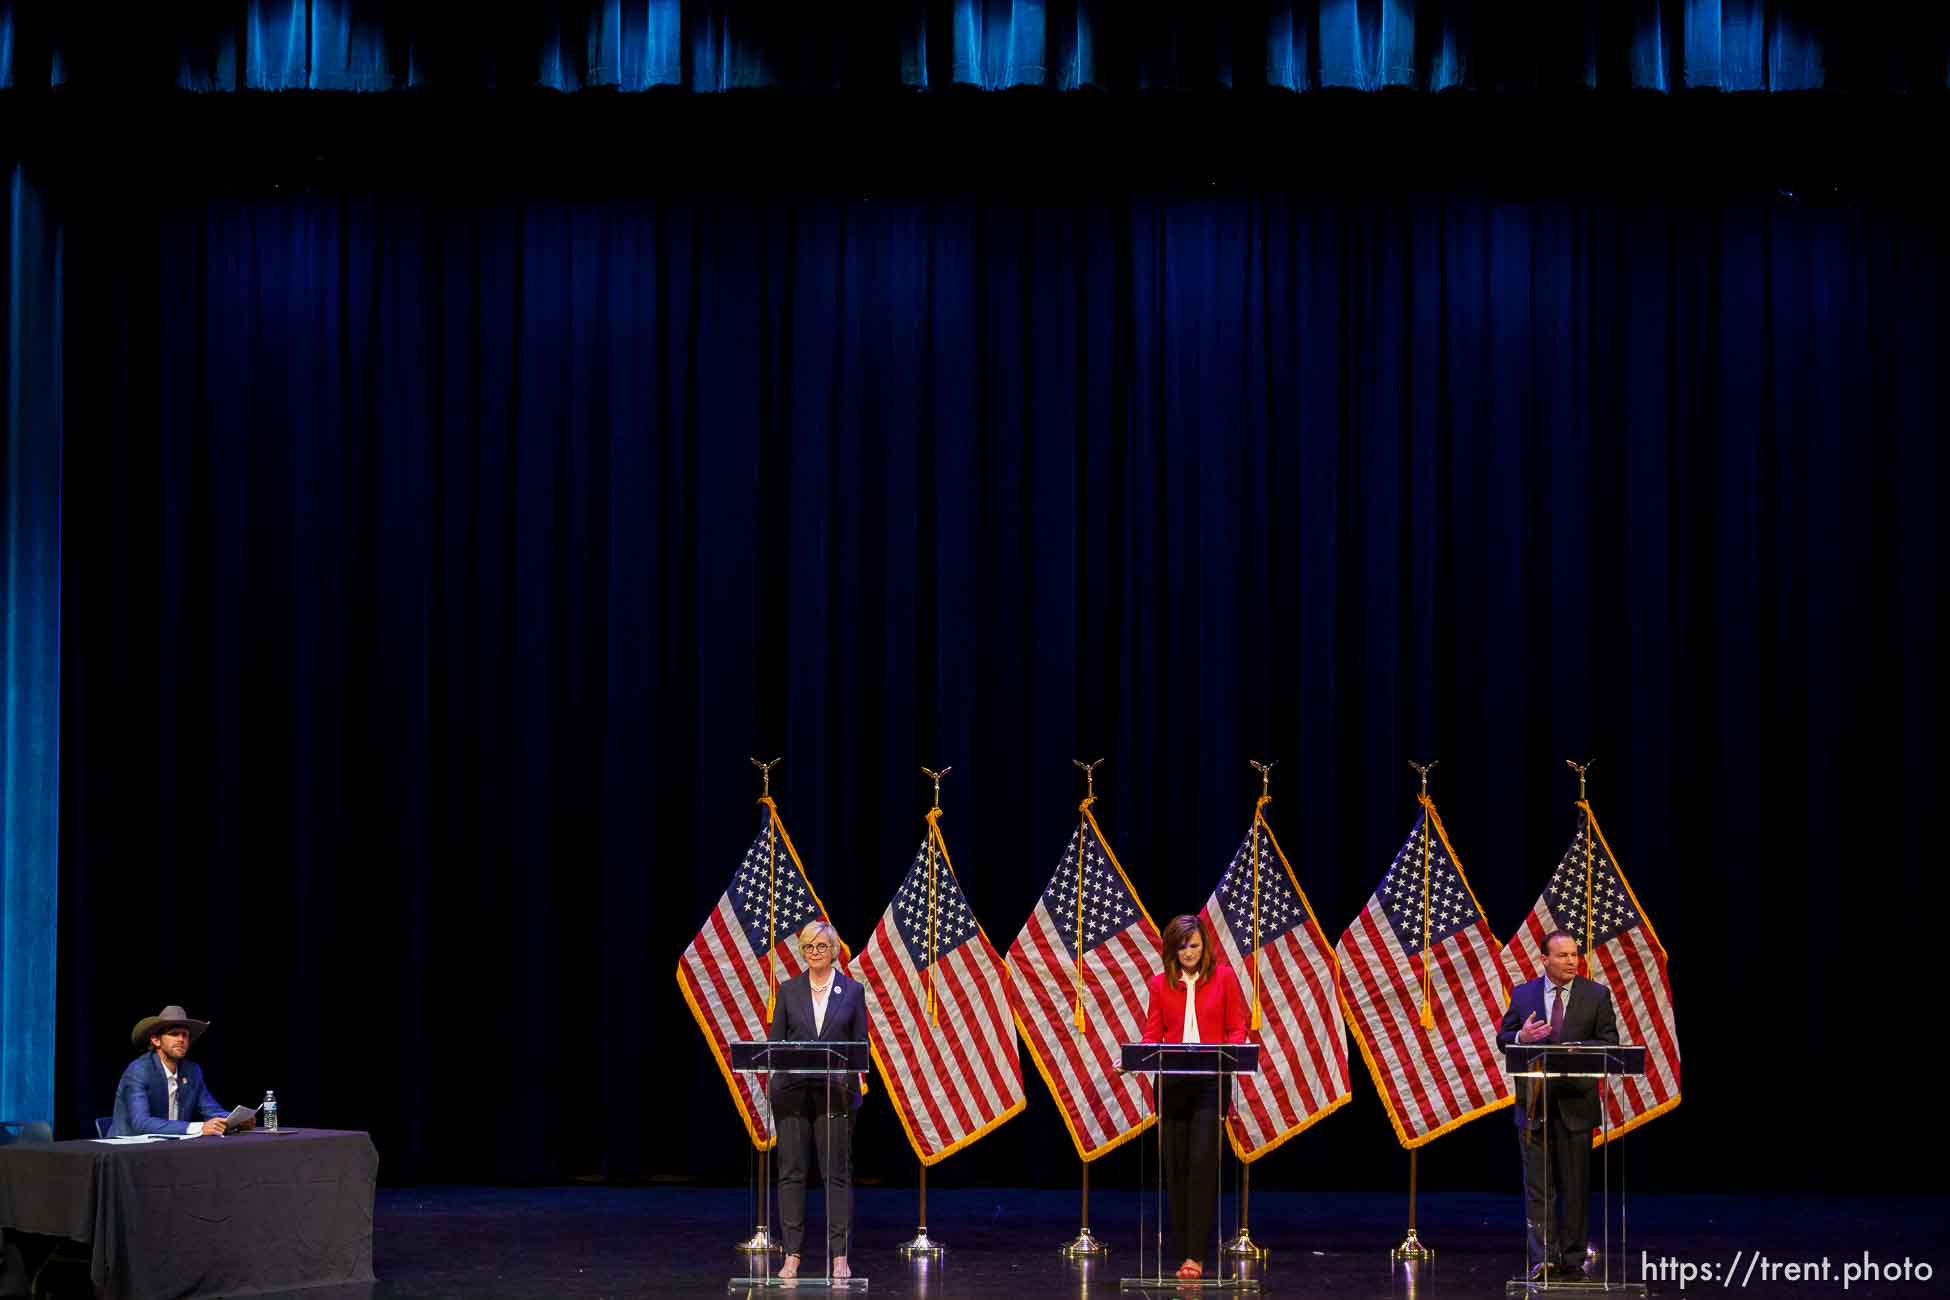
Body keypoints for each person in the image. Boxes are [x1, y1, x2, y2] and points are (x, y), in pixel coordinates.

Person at [1495, 930, 1620, 1279]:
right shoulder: (1524, 995)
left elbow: (1610, 1041)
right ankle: (1543, 1259)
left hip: (1576, 1106)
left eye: (1574, 955)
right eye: (1563, 956)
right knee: (1538, 1188)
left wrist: (1576, 1049)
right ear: (1545, 960)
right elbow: (1504, 1039)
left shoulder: (1596, 995)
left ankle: (1573, 1259)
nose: (1571, 961)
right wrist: (1522, 1037)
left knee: (1576, 1188)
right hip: (1535, 1105)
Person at [1139, 913, 1248, 1281]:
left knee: (1202, 1166)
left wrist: (1227, 1055)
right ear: (1172, 948)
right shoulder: (1158, 984)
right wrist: (1135, 1058)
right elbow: (1153, 1032)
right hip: (1171, 1085)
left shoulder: (1225, 979)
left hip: (1208, 1085)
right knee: (1177, 1168)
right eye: (1183, 945)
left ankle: (1196, 1256)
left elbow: (1237, 1028)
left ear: (1205, 947)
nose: (1189, 952)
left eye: (1195, 945)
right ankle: (1182, 1247)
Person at [767, 920, 867, 1282]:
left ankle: (839, 1256)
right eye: (808, 947)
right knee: (792, 1173)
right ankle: (792, 1255)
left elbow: (860, 1048)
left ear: (833, 950)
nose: (814, 952)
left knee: (836, 1175)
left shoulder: (853, 992)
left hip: (835, 1095)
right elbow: (774, 1046)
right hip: (792, 1095)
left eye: (821, 946)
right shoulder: (789, 991)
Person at [110, 1005, 230, 1137]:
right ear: (156, 1040)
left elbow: (211, 1109)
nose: (181, 1039)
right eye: (174, 1034)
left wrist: (233, 1120)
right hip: (128, 1149)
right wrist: (200, 1127)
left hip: (171, 1146)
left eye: (185, 1035)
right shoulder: (139, 1070)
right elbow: (141, 1123)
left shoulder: (192, 1070)